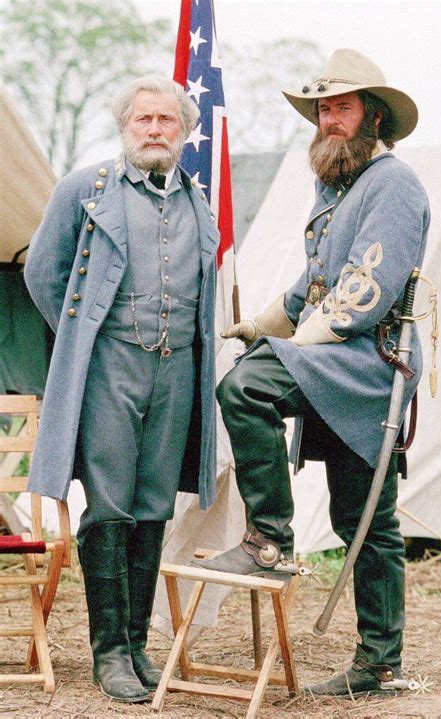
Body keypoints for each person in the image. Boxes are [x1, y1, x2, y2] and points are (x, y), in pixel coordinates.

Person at [193, 49, 430, 698]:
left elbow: (366, 290)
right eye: (322, 109)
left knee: (245, 385)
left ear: (373, 117)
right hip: (335, 360)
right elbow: (310, 287)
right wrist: (261, 323)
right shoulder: (336, 190)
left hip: (367, 362)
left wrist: (293, 344)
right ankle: (380, 664)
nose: (328, 120)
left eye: (342, 107)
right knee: (365, 519)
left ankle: (270, 542)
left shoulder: (393, 184)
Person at [24, 77, 219, 703]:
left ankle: (136, 645)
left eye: (167, 119)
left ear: (185, 131)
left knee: (156, 500)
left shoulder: (197, 200)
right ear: (125, 126)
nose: (155, 129)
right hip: (112, 365)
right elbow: (42, 271)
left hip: (178, 369)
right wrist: (84, 338)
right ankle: (108, 651)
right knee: (109, 504)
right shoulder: (86, 190)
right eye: (144, 119)